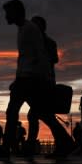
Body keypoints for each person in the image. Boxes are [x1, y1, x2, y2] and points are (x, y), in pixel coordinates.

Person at [1, 0, 75, 158]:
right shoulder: (23, 29)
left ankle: (6, 147)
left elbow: (37, 57)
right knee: (42, 113)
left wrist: (40, 79)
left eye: (8, 13)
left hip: (30, 79)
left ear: (16, 12)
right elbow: (24, 58)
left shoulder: (28, 30)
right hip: (29, 78)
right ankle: (66, 142)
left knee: (14, 111)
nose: (5, 16)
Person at [25, 15, 58, 155]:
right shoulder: (34, 42)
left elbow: (54, 59)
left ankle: (30, 147)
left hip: (44, 83)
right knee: (40, 115)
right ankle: (30, 147)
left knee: (38, 115)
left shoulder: (48, 42)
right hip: (37, 83)